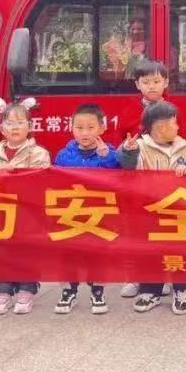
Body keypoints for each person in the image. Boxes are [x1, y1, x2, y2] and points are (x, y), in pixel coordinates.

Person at [116, 100, 186, 314]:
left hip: (177, 209)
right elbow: (127, 164)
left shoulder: (181, 144)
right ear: (161, 128)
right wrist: (127, 151)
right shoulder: (140, 146)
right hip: (149, 210)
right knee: (150, 251)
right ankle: (150, 291)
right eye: (174, 123)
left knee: (181, 249)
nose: (178, 127)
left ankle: (181, 290)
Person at [0, 98, 51, 315]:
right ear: (2, 129)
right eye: (10, 123)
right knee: (2, 251)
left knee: (27, 250)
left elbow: (42, 180)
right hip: (0, 212)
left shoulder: (38, 153)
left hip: (28, 212)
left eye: (20, 122)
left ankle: (26, 289)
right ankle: (2, 291)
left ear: (30, 127)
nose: (15, 127)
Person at [52, 103, 120, 315]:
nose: (85, 133)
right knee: (69, 253)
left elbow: (119, 177)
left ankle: (97, 291)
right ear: (71, 128)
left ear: (101, 128)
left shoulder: (109, 152)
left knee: (98, 254)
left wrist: (106, 158)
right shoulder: (64, 155)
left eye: (91, 127)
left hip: (98, 214)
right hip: (71, 214)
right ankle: (68, 291)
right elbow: (54, 182)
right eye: (79, 128)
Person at [115, 58, 172, 299]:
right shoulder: (128, 110)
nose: (152, 86)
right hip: (136, 182)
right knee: (136, 230)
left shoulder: (173, 111)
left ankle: (165, 276)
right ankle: (135, 276)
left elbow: (184, 141)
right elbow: (118, 144)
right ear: (137, 84)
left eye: (156, 81)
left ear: (165, 83)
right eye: (146, 82)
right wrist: (126, 148)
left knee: (165, 230)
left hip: (165, 182)